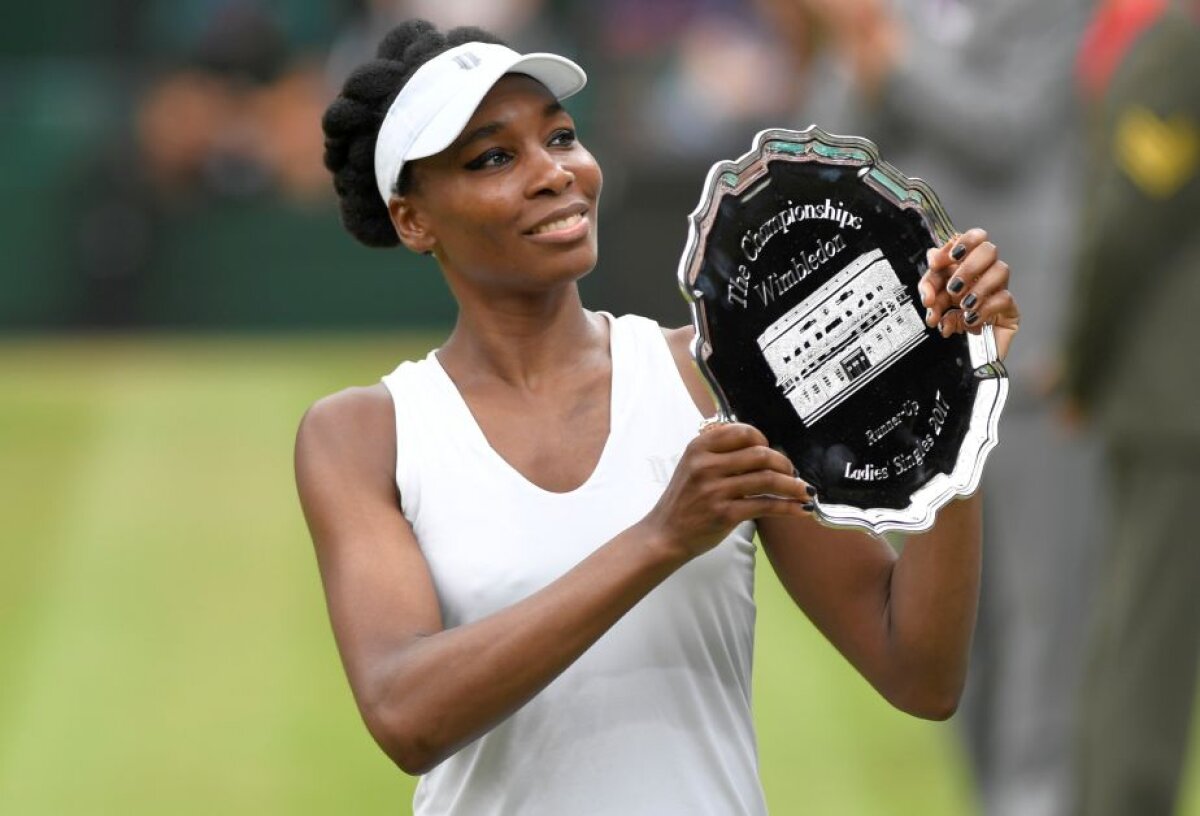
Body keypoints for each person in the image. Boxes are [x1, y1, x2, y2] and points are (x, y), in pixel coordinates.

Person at [294, 19, 1020, 815]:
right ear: (413, 220)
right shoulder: (363, 434)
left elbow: (917, 670)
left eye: (562, 138)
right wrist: (659, 538)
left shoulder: (714, 378)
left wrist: (960, 390)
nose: (553, 174)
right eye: (494, 158)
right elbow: (406, 715)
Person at [751, 3, 1101, 813]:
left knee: (1049, 610)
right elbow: (835, 150)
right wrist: (862, 52)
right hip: (921, 361)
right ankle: (995, 798)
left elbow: (1009, 128)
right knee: (952, 610)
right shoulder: (886, 13)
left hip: (1035, 346)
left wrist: (892, 59)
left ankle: (1039, 799)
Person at [1065, 2, 1200, 813]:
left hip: (1170, 401)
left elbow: (1127, 222)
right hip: (1170, 402)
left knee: (1139, 653)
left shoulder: (1178, 46)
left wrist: (1081, 359)